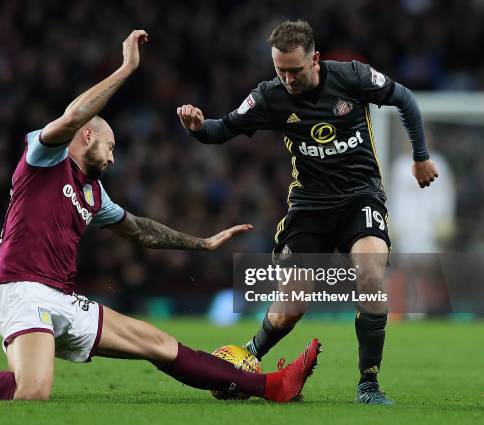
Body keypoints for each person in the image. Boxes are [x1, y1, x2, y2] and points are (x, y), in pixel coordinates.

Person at [0, 30, 320, 403]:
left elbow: (141, 231)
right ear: (88, 136)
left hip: (63, 296)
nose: (113, 157)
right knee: (32, 392)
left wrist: (200, 243)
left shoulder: (93, 194)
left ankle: (271, 385)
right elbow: (72, 114)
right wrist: (126, 69)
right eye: (110, 147)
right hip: (20, 290)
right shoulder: (43, 156)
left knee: (158, 343)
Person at [177, 20, 438, 405]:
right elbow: (224, 128)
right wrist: (198, 128)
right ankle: (247, 359)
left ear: (315, 59)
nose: (287, 78)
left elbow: (405, 99)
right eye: (279, 69)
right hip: (309, 208)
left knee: (370, 276)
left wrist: (420, 157)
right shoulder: (269, 97)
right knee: (292, 306)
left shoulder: (352, 76)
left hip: (359, 199)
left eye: (294, 70)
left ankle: (368, 383)